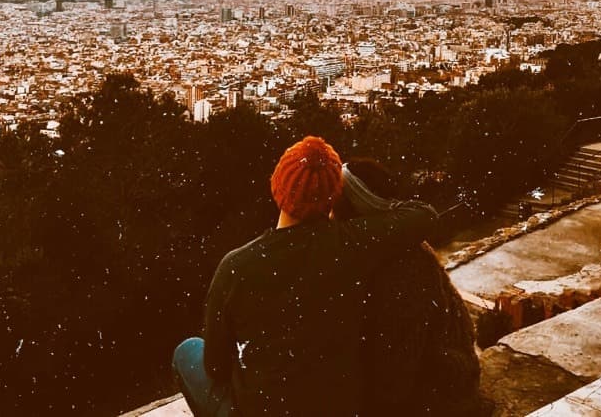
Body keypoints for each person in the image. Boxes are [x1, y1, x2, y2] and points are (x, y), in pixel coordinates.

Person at [173, 135, 437, 417]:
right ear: (333, 197)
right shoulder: (354, 245)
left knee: (187, 352)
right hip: (337, 408)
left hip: (262, 409)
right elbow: (425, 215)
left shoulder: (236, 266)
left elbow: (215, 367)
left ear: (277, 186)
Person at [333, 158, 485, 417]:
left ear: (355, 207)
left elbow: (398, 363)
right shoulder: (391, 247)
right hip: (428, 378)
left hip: (438, 392)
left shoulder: (404, 266)